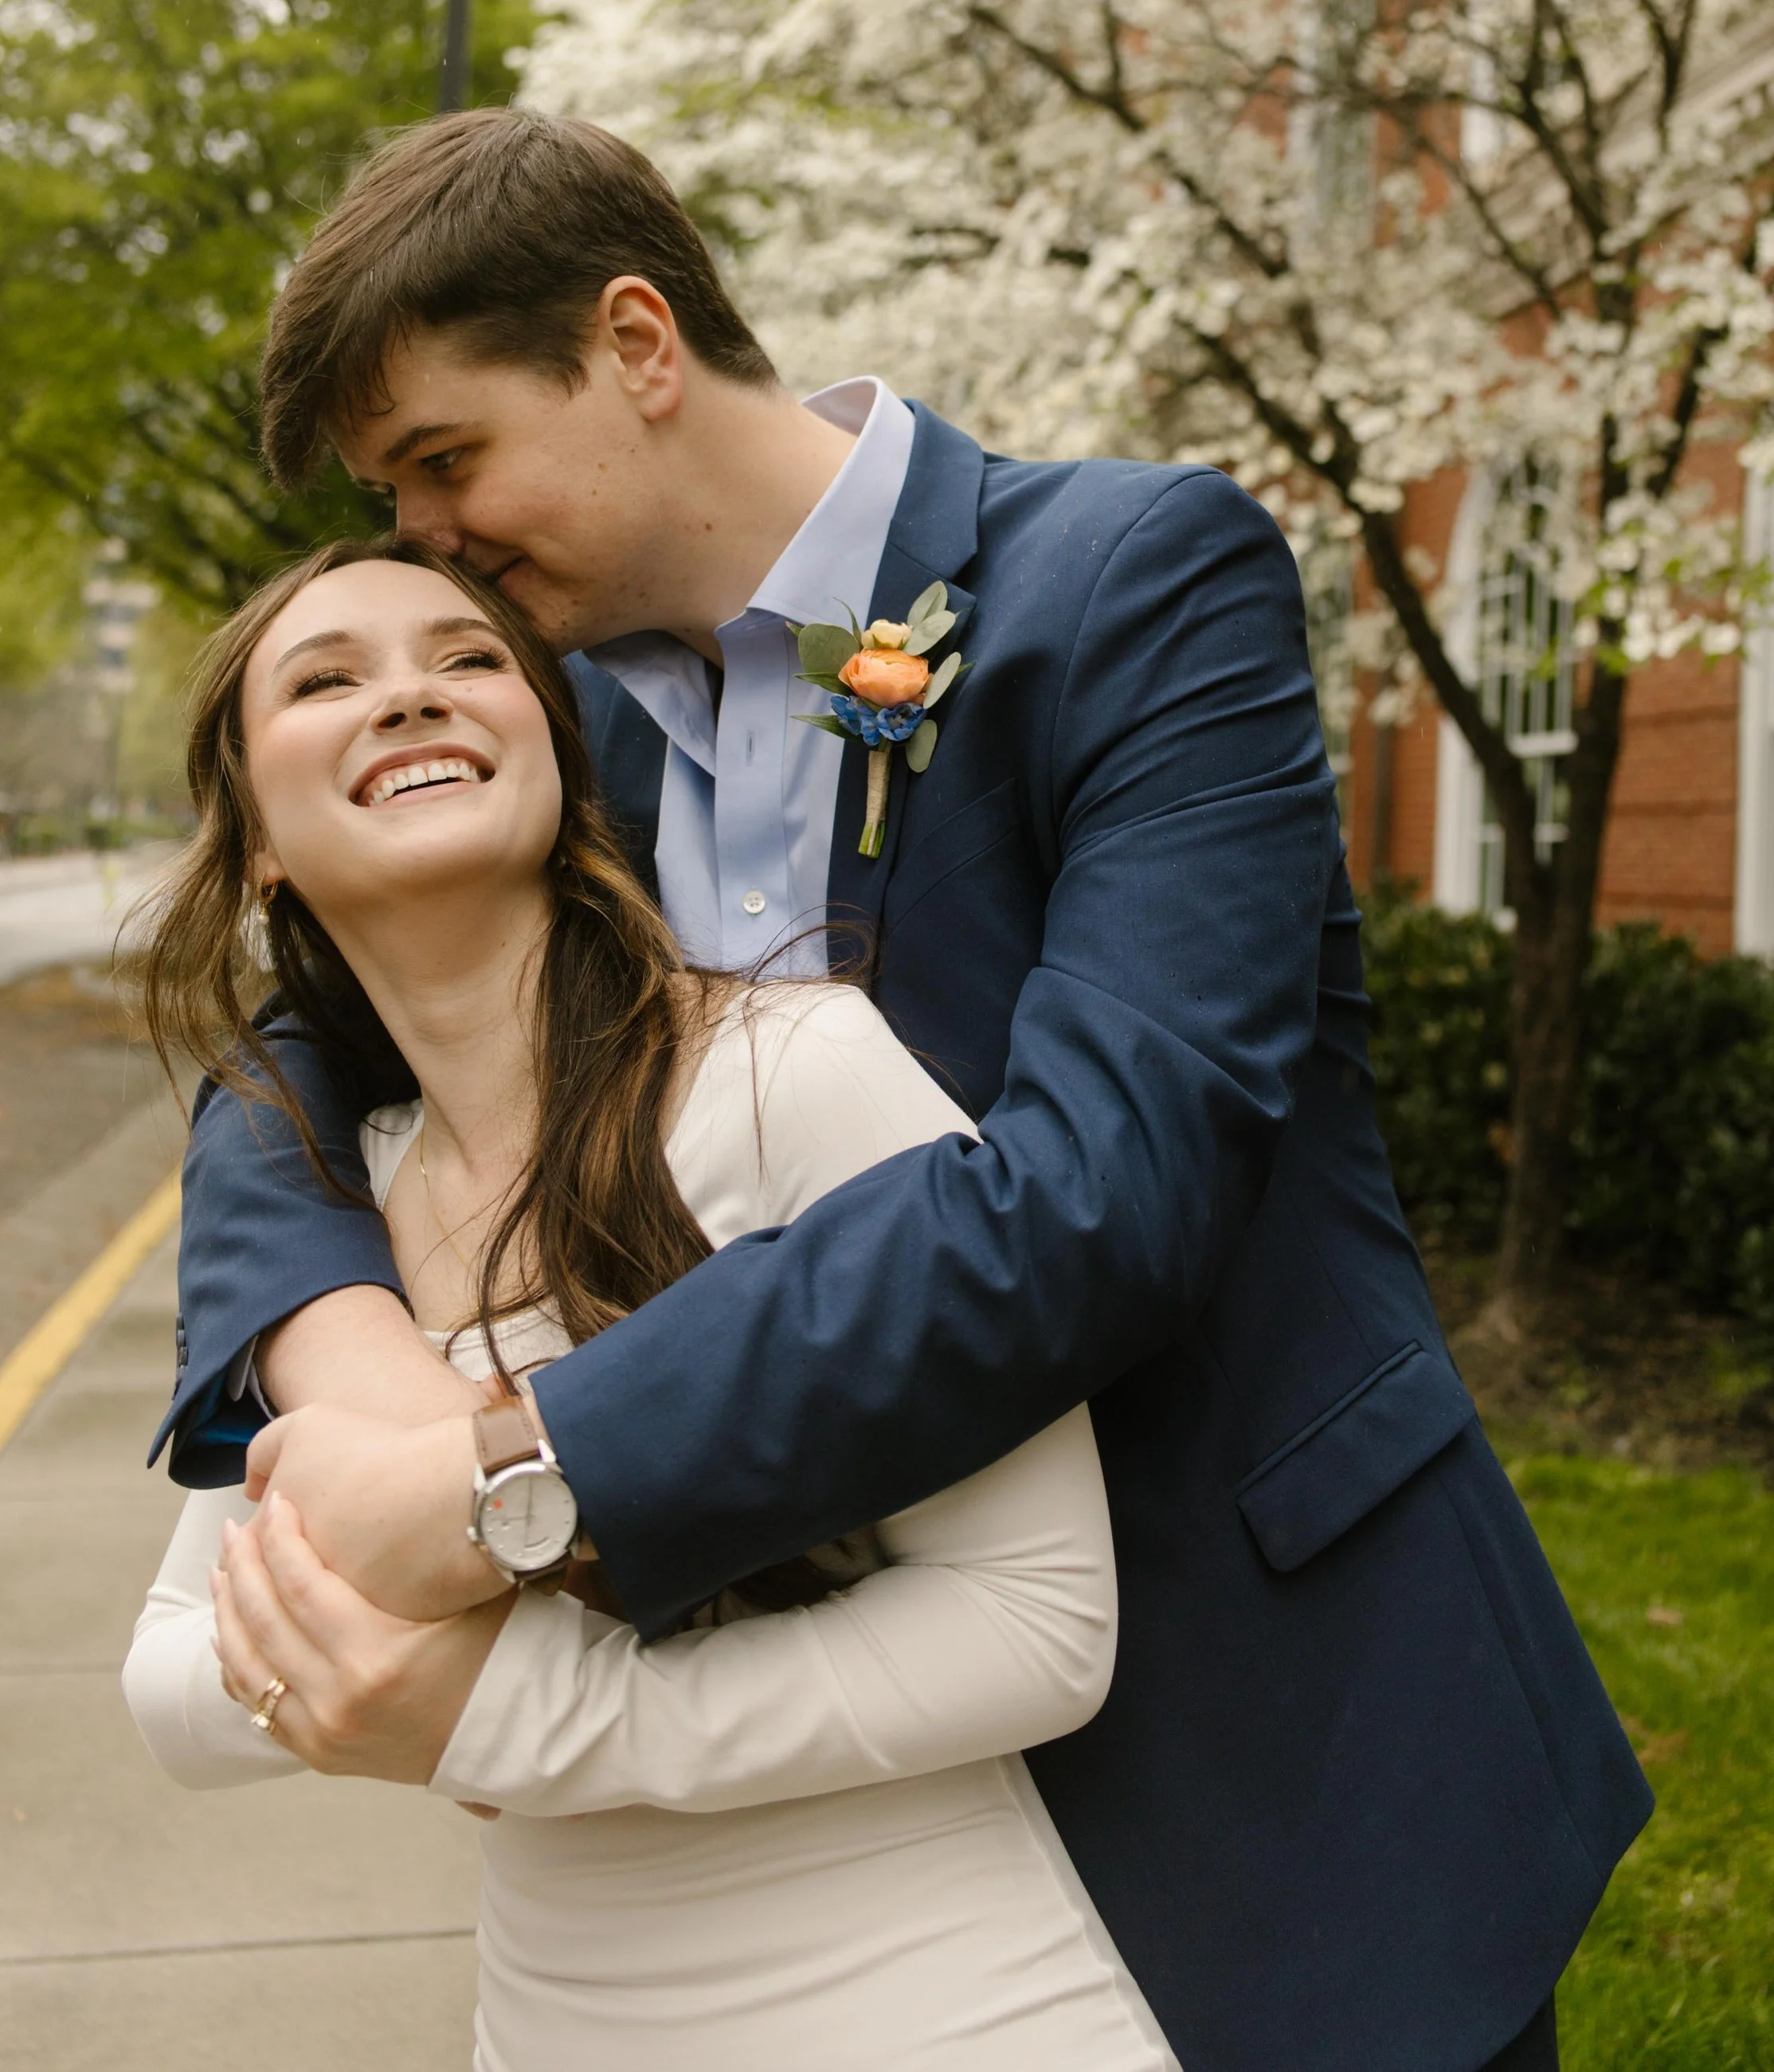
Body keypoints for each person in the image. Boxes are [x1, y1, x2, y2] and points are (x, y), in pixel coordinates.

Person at [156, 110, 1651, 2070]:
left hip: (1263, 1692)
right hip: (838, 1779)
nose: (426, 539)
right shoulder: (564, 724)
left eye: (444, 461)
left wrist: (518, 1475)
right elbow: (293, 1038)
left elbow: (1105, 1193)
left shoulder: (1126, 587)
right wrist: (339, 1353)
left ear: (633, 343)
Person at [127, 539, 1176, 2068]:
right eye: (326, 677)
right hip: (556, 2019)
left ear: (555, 751)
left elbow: (1041, 1622)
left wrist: (514, 1709)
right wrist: (373, 1661)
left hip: (935, 1996)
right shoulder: (333, 1218)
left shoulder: (793, 1071)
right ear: (259, 840)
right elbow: (170, 1679)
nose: (409, 693)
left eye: (468, 658)